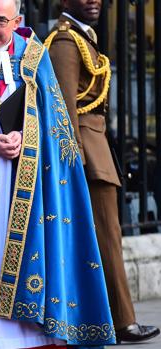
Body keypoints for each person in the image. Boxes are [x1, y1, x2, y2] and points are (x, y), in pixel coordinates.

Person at [0, 0, 116, 347]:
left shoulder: (35, 56)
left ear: (17, 21)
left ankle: (25, 325)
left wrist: (24, 137)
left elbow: (54, 129)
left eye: (1, 21)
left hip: (23, 181)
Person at [46, 0, 160, 344]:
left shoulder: (82, 36)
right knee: (108, 238)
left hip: (95, 150)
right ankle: (123, 322)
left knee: (105, 238)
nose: (93, 0)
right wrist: (75, 161)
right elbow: (64, 107)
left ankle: (109, 318)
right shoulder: (65, 42)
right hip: (86, 158)